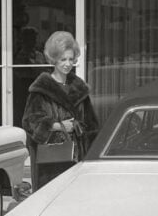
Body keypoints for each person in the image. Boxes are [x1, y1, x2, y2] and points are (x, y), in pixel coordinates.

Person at [21, 31, 100, 190]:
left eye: (71, 59)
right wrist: (58, 126)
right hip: (52, 162)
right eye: (63, 59)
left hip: (79, 158)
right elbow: (29, 122)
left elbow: (92, 126)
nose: (67, 64)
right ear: (54, 60)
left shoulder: (79, 88)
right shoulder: (42, 89)